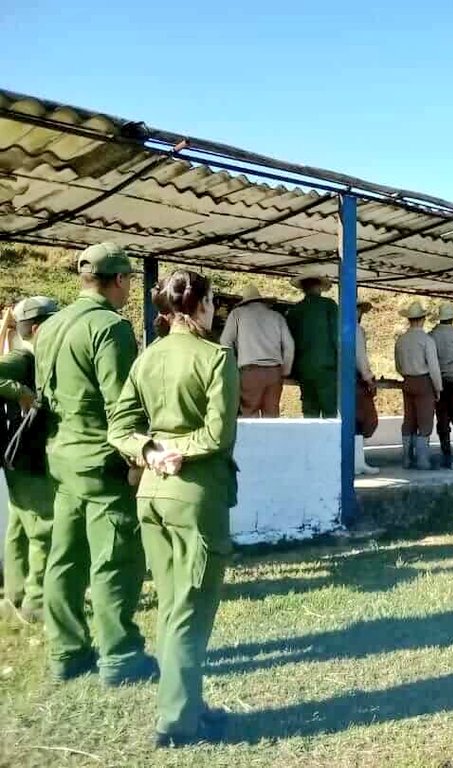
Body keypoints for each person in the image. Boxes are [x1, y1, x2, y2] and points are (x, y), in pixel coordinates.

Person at [108, 270, 239, 747]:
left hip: (151, 495)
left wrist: (150, 450)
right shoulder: (216, 357)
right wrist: (177, 451)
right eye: (213, 302)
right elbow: (218, 435)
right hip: (195, 497)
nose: (215, 310)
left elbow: (119, 427)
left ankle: (188, 704)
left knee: (171, 605)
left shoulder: (147, 358)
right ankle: (177, 721)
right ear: (201, 305)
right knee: (191, 610)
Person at [34, 242, 155, 684]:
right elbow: (120, 405)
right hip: (102, 462)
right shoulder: (111, 327)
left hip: (62, 457)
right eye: (129, 281)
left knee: (64, 559)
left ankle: (66, 652)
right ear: (119, 279)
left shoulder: (51, 325)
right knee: (115, 559)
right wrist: (137, 457)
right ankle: (120, 656)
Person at [1, 296, 59, 623]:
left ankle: (16, 594)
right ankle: (36, 603)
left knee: (20, 526)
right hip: (26, 455)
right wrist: (20, 392)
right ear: (37, 328)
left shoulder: (35, 358)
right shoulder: (23, 357)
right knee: (43, 527)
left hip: (18, 456)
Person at [220, 285, 294, 418]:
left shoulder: (237, 314)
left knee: (249, 415)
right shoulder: (277, 316)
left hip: (249, 372)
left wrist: (232, 367)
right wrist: (285, 371)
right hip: (274, 372)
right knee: (271, 417)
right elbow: (289, 346)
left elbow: (225, 342)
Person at [395, 301, 442, 470]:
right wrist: (438, 387)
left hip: (407, 381)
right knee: (425, 420)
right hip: (424, 382)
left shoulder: (401, 340)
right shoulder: (427, 340)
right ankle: (423, 460)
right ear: (422, 319)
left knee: (409, 419)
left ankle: (407, 459)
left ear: (409, 319)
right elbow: (434, 367)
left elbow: (398, 366)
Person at [285, 268, 338, 418]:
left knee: (310, 412)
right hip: (327, 368)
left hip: (304, 369)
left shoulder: (295, 310)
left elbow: (289, 342)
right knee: (330, 412)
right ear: (319, 286)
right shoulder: (329, 305)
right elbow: (338, 337)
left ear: (303, 288)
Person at [430, 303, 453, 469]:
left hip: (438, 382)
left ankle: (446, 454)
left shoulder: (431, 336)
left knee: (442, 419)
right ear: (452, 318)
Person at [355, 296, 379, 476]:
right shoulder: (356, 330)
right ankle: (358, 462)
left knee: (354, 421)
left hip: (341, 377)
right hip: (356, 379)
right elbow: (360, 357)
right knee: (364, 420)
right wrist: (368, 378)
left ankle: (356, 461)